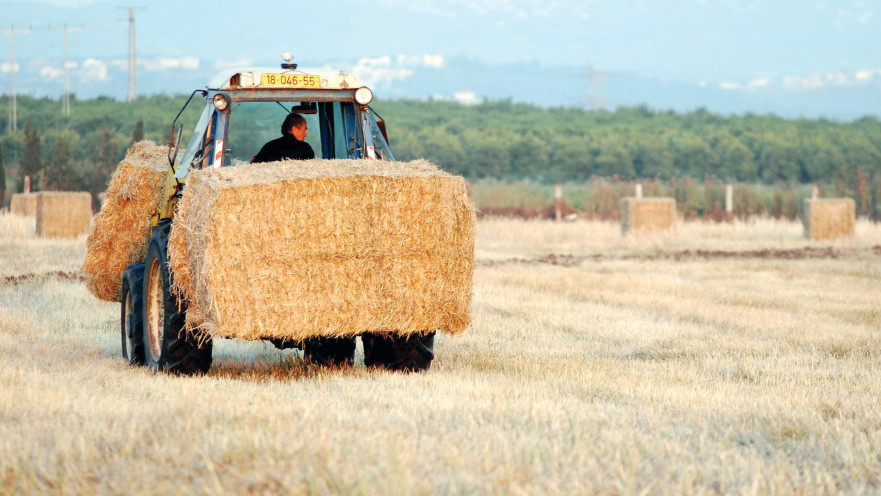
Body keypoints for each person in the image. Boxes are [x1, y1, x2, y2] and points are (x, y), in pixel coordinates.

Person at [251, 112, 315, 163]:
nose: (306, 135)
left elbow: (255, 165)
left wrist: (255, 159)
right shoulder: (305, 148)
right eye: (304, 130)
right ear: (294, 129)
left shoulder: (268, 147)